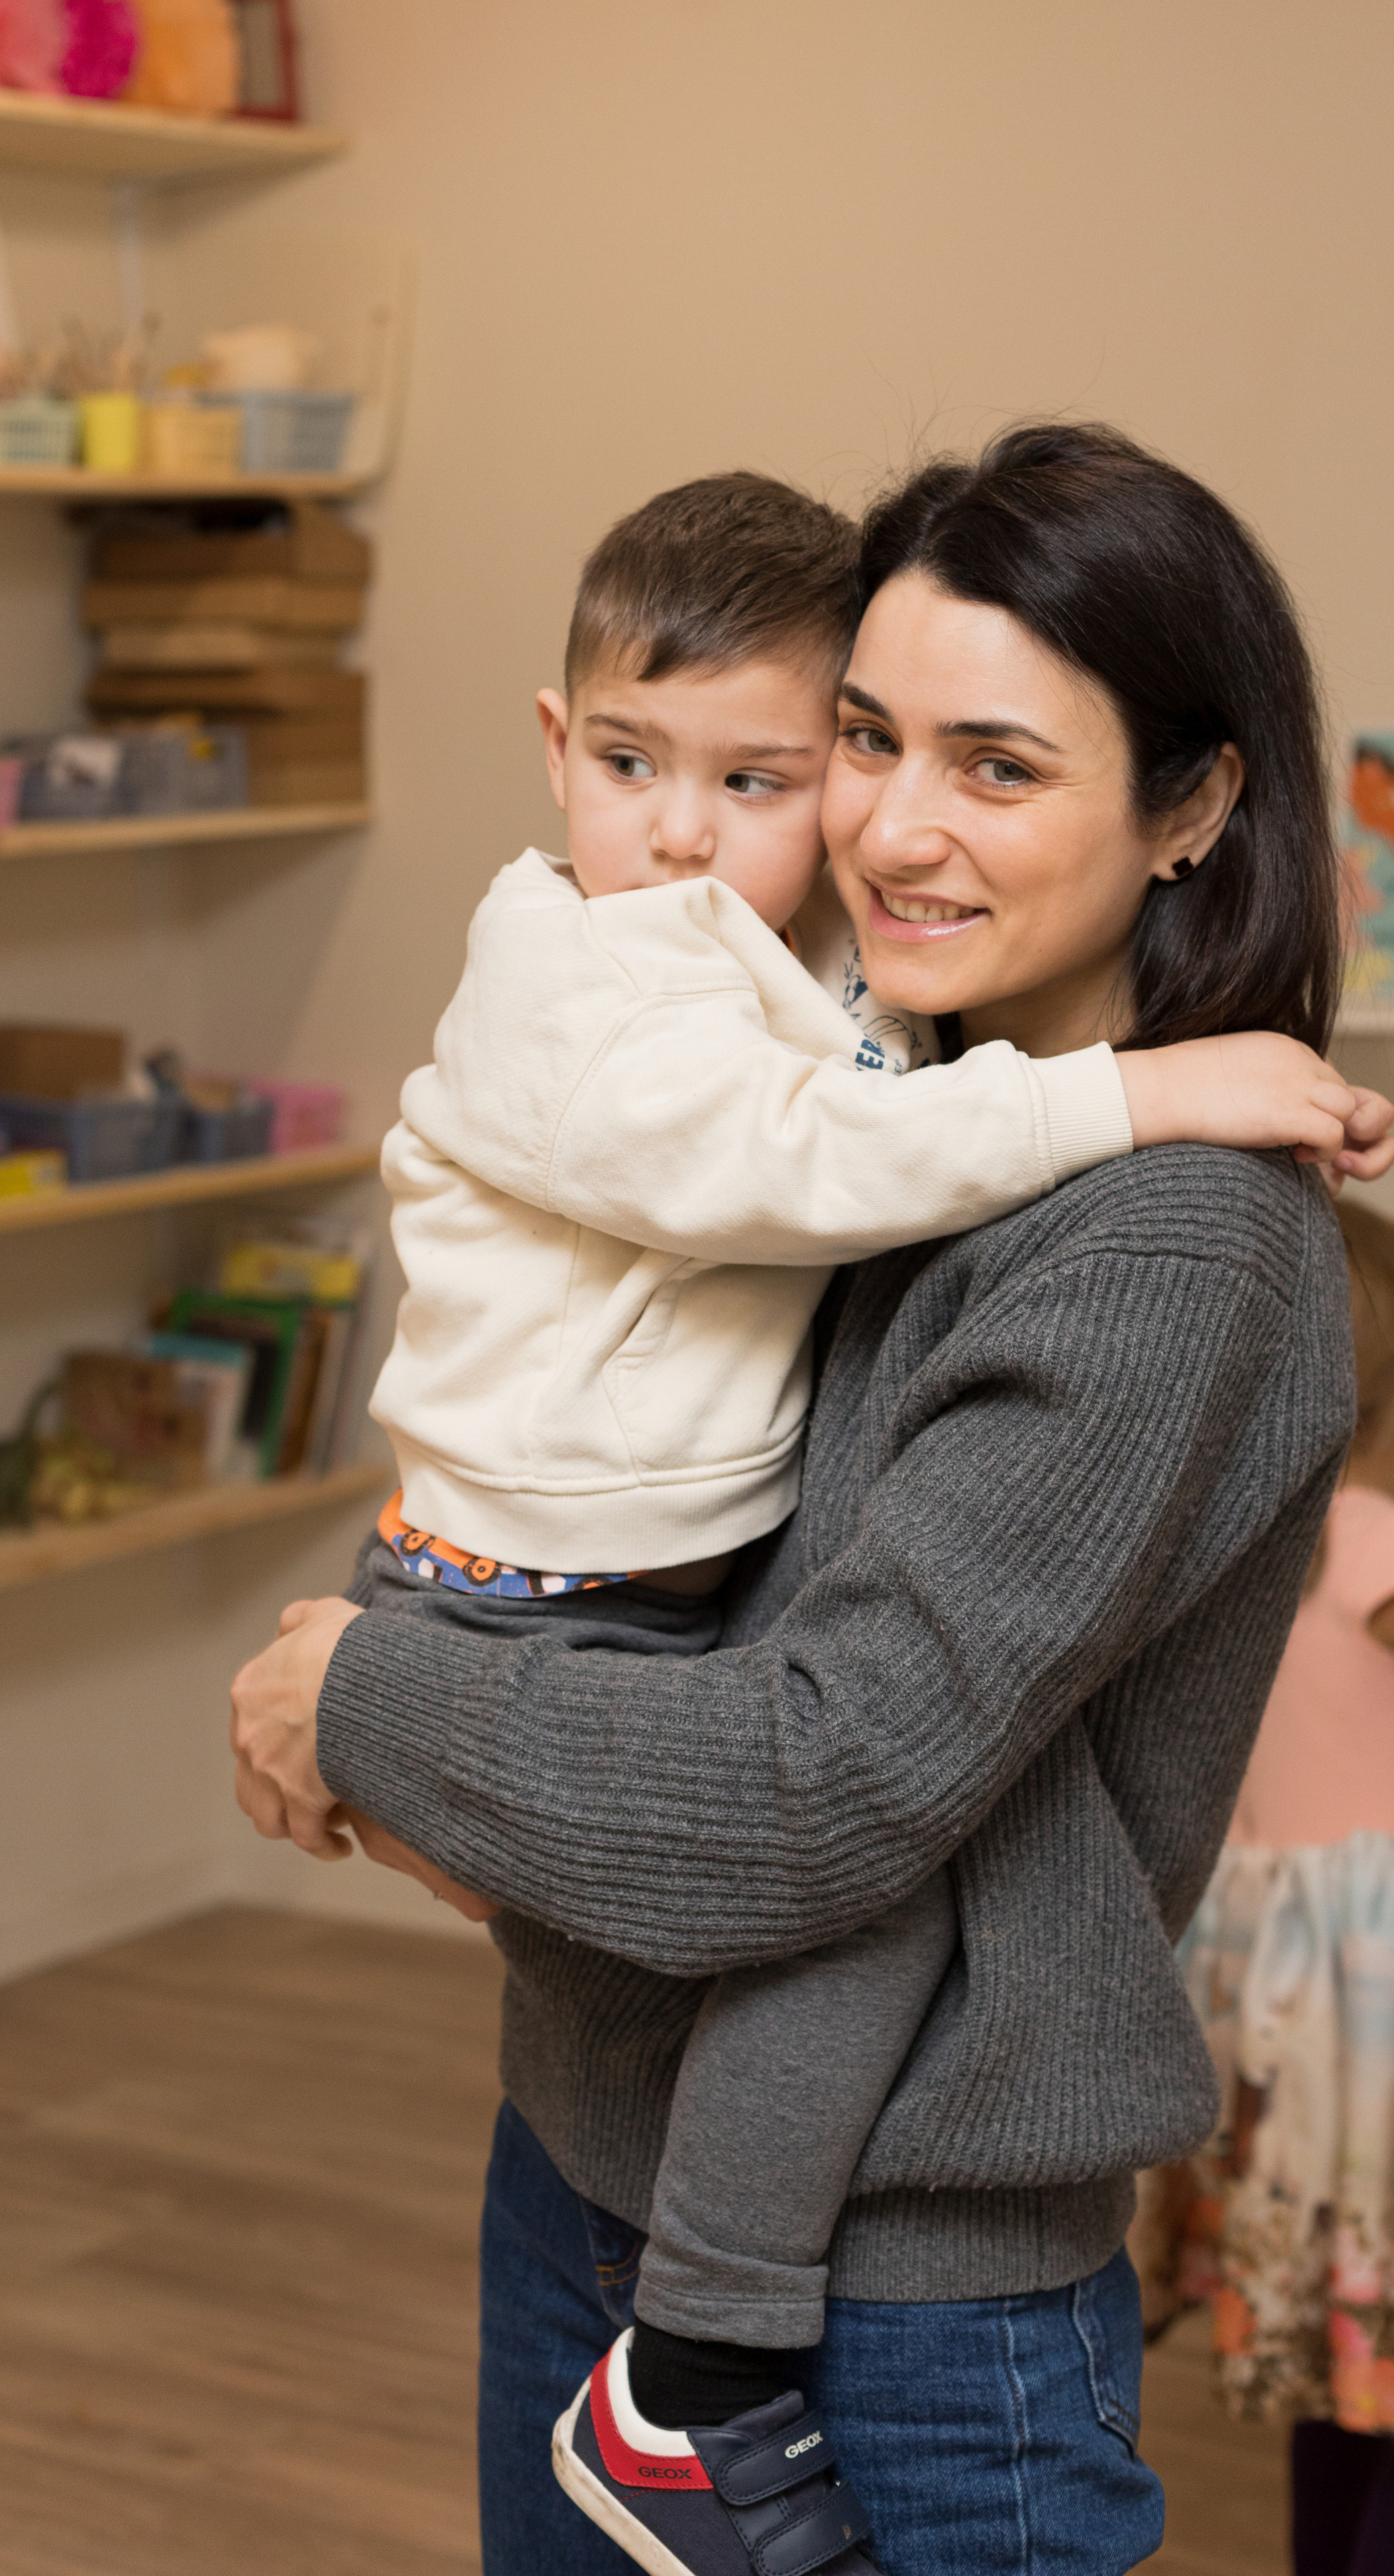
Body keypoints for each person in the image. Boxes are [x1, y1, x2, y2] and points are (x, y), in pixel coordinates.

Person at [232, 421, 1391, 2576]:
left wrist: (364, 1699)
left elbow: (820, 1778)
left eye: (1000, 766)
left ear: (1197, 806)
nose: (896, 828)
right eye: (864, 739)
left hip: (901, 2309)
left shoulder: (1163, 1246)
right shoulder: (871, 1106)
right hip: (591, 2163)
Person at [1160, 1195, 1394, 2576]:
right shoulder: (1375, 1554)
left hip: (1265, 2014)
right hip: (1373, 2023)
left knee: (1333, 2362)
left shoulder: (1246, 1546)